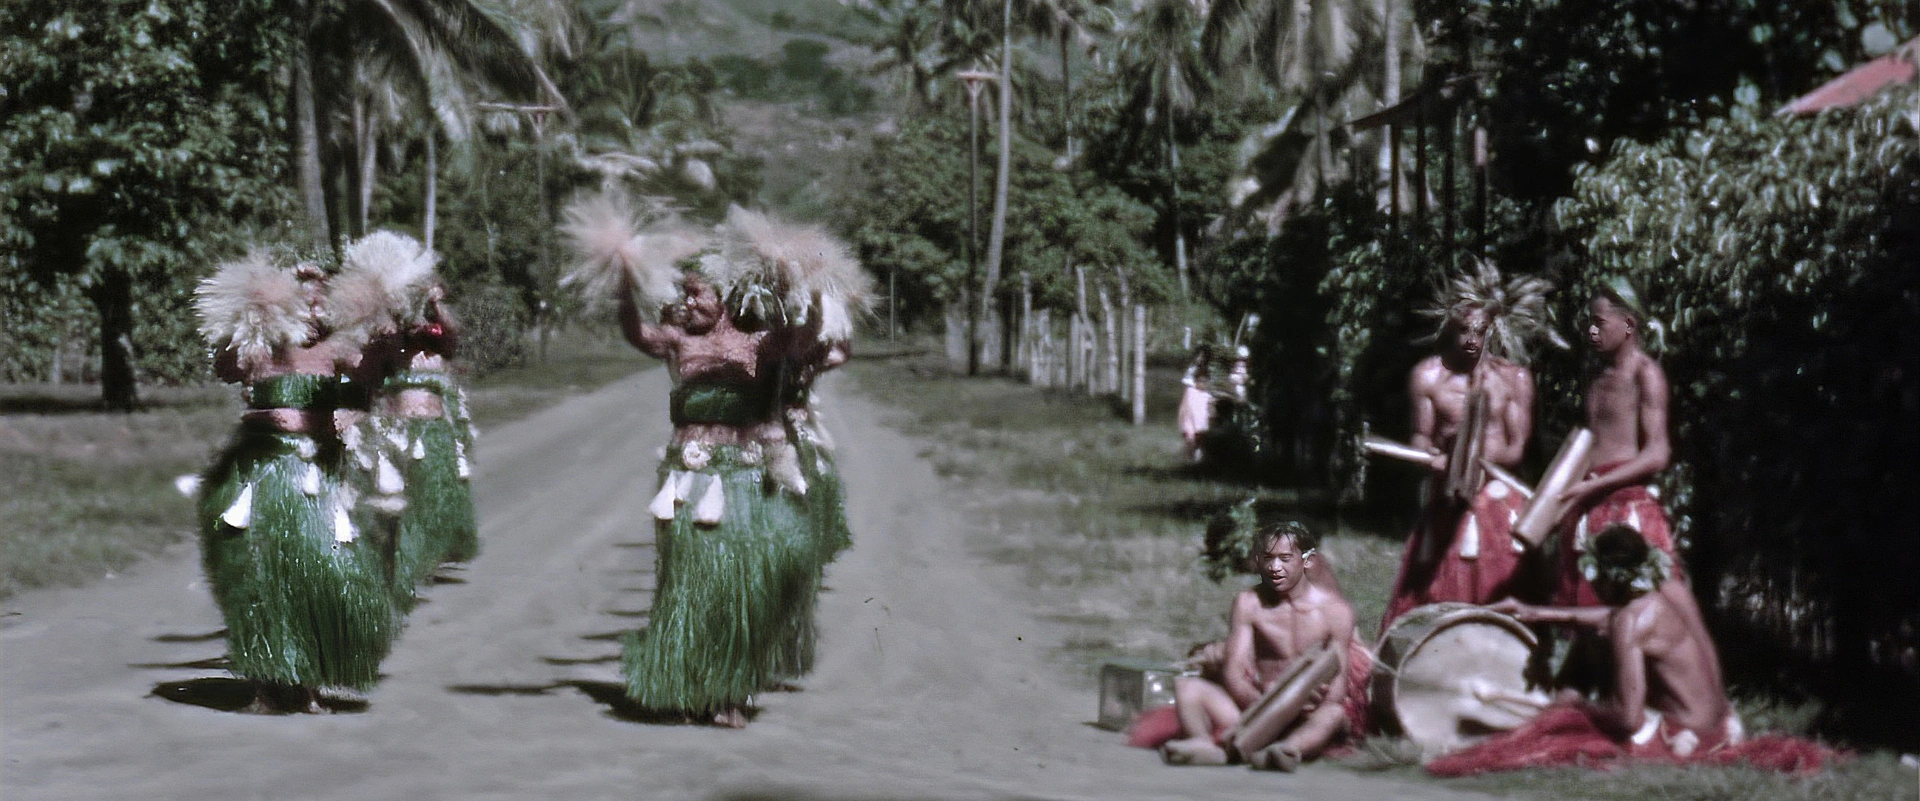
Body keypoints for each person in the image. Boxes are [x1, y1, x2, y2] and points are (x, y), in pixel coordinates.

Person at [562, 194, 868, 728]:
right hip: (687, 478)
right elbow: (637, 334)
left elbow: (807, 337)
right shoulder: (678, 343)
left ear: (723, 297)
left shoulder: (759, 346)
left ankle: (732, 688)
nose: (686, 302)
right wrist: (624, 280)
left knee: (739, 582)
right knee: (689, 582)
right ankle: (688, 684)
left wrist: (808, 285)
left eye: (695, 292)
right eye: (682, 293)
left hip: (744, 476)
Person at [192, 254, 396, 713]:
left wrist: (352, 410)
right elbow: (224, 368)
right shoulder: (261, 345)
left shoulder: (340, 347)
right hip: (259, 473)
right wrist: (248, 323)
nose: (313, 300)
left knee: (320, 575)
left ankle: (308, 682)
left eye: (321, 292)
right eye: (302, 291)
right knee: (261, 575)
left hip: (315, 478)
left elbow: (370, 382)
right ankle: (266, 683)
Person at [1550, 279, 1717, 691]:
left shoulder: (1647, 375)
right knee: (1590, 617)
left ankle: (1652, 696)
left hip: (1628, 510)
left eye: (1598, 322)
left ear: (1628, 325)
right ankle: (1601, 692)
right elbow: (1591, 446)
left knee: (1639, 607)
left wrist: (1595, 486)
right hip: (1589, 505)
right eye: (1588, 323)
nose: (1590, 331)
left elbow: (1658, 453)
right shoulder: (1597, 377)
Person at [1381, 262, 1558, 630]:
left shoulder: (1515, 379)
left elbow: (1516, 447)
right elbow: (1420, 436)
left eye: (1480, 331)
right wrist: (1430, 457)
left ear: (1493, 329)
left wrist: (1472, 460)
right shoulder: (1428, 376)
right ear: (1450, 327)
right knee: (1437, 595)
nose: (1472, 340)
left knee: (1501, 592)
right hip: (1445, 496)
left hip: (1496, 497)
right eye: (1464, 330)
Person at [1160, 523, 1357, 770]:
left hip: (1305, 717)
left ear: (1307, 561)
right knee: (1188, 687)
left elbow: (1337, 690)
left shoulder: (1337, 612)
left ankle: (1287, 750)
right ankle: (1203, 743)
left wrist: (1298, 702)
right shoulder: (1249, 603)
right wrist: (1266, 700)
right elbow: (1234, 673)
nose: (1275, 568)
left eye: (1285, 559)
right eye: (1268, 559)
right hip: (1254, 710)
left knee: (1333, 714)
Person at [1177, 345, 1214, 463]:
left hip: (1202, 402)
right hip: (1191, 400)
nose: (1200, 359)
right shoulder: (1192, 370)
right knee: (1190, 429)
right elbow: (1187, 390)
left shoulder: (1209, 371)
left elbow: (1209, 387)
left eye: (1203, 357)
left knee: (1201, 429)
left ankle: (1198, 457)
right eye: (1198, 356)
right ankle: (1188, 456)